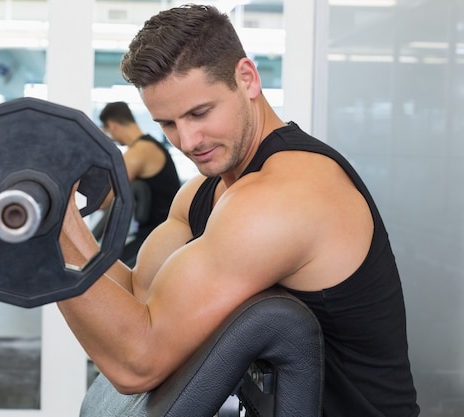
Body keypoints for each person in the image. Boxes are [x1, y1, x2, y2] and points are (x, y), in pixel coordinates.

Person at [58, 4, 419, 416]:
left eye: (200, 113)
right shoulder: (201, 193)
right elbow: (139, 294)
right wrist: (60, 218)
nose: (188, 140)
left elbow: (137, 364)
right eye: (168, 124)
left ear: (246, 78)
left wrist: (49, 248)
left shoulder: (285, 195)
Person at [97, 101, 181, 267]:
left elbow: (103, 200)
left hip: (159, 237)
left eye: (107, 131)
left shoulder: (139, 152)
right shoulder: (148, 146)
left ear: (112, 126)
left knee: (105, 271)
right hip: (153, 233)